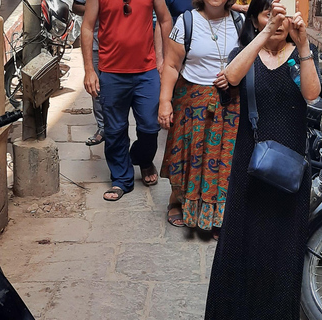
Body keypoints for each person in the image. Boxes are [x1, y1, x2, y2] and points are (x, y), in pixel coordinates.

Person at [204, 0, 321, 318]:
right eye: (269, 13)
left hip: (290, 170)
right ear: (254, 19)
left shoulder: (299, 58)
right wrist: (263, 35)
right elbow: (231, 76)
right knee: (241, 246)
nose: (278, 21)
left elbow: (311, 93)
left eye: (282, 14)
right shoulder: (247, 56)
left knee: (282, 253)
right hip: (249, 168)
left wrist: (305, 44)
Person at [157, 0, 241, 236]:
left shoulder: (239, 22)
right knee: (191, 155)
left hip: (229, 104)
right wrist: (165, 102)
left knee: (223, 160)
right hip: (192, 104)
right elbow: (172, 66)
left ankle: (217, 215)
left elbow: (249, 62)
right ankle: (178, 201)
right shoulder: (187, 22)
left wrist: (234, 77)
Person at [81, 0, 173, 201]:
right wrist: (89, 69)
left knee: (150, 127)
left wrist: (165, 59)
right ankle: (121, 179)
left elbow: (165, 20)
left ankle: (143, 158)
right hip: (111, 72)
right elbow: (87, 27)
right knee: (114, 130)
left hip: (146, 72)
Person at [72, 0, 104, 146]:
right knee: (97, 89)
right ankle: (103, 127)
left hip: (119, 48)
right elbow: (76, 7)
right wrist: (95, 8)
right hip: (96, 43)